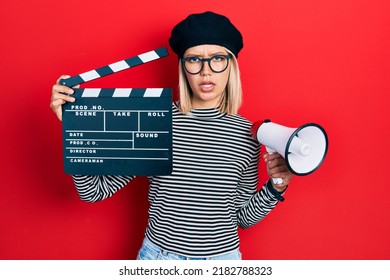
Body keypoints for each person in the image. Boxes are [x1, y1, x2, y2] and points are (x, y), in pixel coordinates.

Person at [50, 11, 293, 260]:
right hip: (160, 259)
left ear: (231, 66)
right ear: (183, 66)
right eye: (194, 59)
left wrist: (277, 186)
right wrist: (74, 127)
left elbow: (242, 218)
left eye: (218, 58)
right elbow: (93, 191)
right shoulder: (155, 121)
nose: (205, 71)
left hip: (223, 261)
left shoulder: (247, 134)